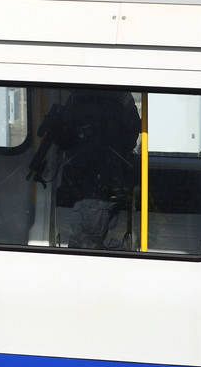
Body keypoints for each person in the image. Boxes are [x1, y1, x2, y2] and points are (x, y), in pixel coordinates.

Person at [29, 89, 140, 250]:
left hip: (81, 176)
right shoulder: (122, 96)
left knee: (86, 236)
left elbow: (64, 137)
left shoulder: (76, 95)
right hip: (107, 176)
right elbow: (132, 135)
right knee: (94, 233)